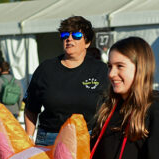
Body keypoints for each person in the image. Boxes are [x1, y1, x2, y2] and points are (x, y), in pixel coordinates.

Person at [24, 15, 108, 146]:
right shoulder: (45, 69)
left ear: (87, 42)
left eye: (76, 35)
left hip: (88, 139)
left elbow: (111, 106)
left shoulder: (100, 70)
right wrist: (28, 137)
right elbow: (31, 108)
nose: (69, 39)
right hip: (49, 139)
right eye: (65, 35)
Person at [0, 61, 23, 159]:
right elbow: (21, 96)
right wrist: (19, 107)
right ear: (9, 69)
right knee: (12, 132)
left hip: (2, 111)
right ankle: (13, 153)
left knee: (0, 133)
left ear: (0, 69)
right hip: (14, 110)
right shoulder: (17, 81)